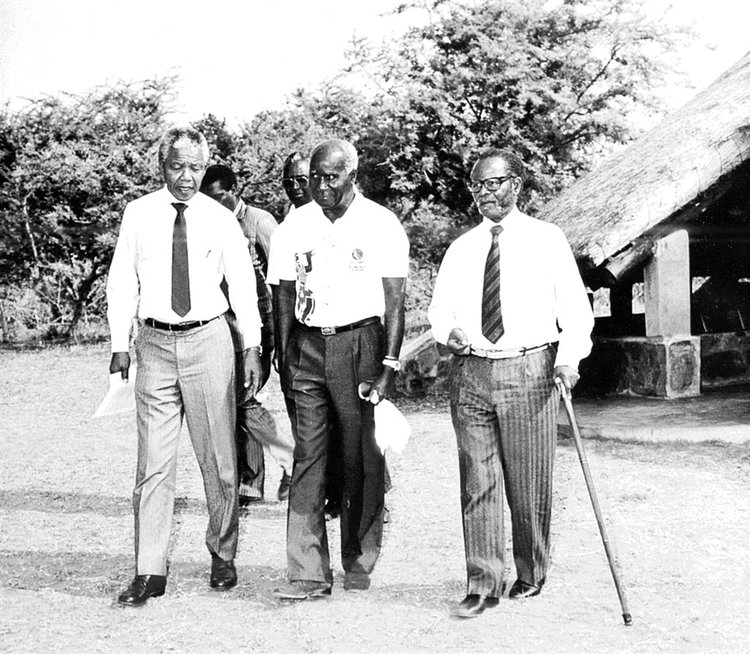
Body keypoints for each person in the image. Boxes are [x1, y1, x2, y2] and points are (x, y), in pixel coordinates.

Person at [428, 148, 594, 619]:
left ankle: (530, 570)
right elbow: (440, 311)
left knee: (528, 480)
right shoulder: (462, 248)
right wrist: (451, 333)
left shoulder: (547, 239)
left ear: (516, 185)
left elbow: (576, 312)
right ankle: (483, 581)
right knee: (477, 480)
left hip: (530, 369)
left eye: (496, 183)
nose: (487, 193)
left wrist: (568, 361)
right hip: (472, 371)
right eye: (479, 186)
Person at [107, 127, 263, 607]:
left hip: (209, 340)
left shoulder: (220, 219)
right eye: (178, 167)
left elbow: (241, 284)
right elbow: (121, 280)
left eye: (196, 167)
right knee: (153, 464)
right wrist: (120, 344)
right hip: (153, 343)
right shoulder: (139, 213)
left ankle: (222, 552)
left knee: (218, 459)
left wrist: (252, 346)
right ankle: (149, 570)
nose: (187, 177)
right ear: (162, 166)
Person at [267, 139, 409, 600]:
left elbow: (395, 302)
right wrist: (286, 354)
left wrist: (388, 365)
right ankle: (307, 571)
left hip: (360, 344)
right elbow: (283, 294)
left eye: (331, 178)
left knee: (359, 457)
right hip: (308, 345)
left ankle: (358, 558)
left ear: (352, 175)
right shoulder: (294, 224)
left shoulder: (381, 224)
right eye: (314, 178)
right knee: (308, 457)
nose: (321, 187)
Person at [200, 164, 293, 505]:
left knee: (242, 400)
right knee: (238, 406)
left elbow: (283, 281)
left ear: (235, 190)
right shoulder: (206, 223)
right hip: (220, 330)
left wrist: (277, 341)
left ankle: (290, 459)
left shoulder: (259, 222)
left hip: (256, 329)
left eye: (219, 197)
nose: (212, 204)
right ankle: (251, 485)